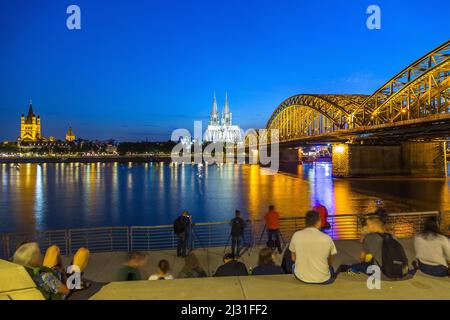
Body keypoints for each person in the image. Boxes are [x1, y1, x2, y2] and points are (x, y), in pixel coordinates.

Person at [347, 215, 410, 280]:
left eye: (367, 225)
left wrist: (364, 235)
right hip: (400, 272)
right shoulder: (392, 236)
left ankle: (353, 269)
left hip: (383, 274)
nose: (366, 227)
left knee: (356, 266)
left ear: (372, 226)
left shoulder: (369, 238)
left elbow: (362, 258)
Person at [289, 211, 337, 284]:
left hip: (301, 277)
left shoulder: (296, 235)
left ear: (306, 222)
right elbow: (329, 262)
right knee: (331, 269)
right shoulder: (327, 238)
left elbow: (293, 259)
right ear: (318, 222)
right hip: (323, 279)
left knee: (293, 266)